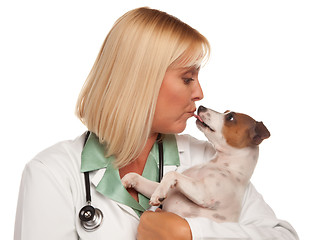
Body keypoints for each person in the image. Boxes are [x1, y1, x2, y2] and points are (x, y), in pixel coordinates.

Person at [14, 7, 299, 240]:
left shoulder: (210, 160)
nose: (200, 93)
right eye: (188, 78)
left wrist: (192, 233)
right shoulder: (52, 174)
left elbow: (283, 236)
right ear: (140, 81)